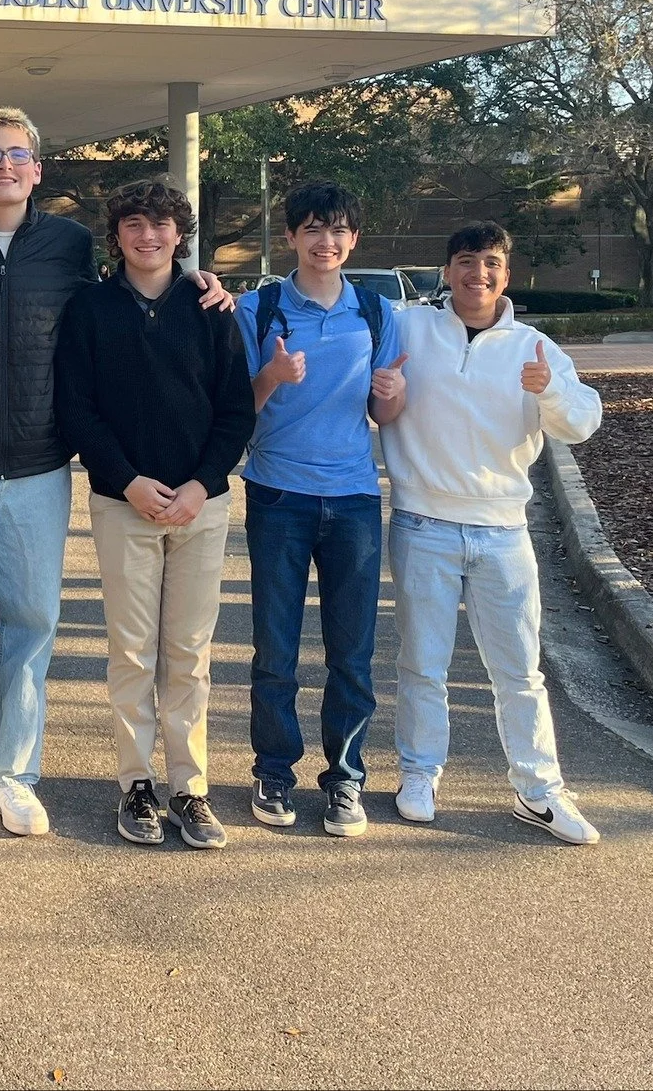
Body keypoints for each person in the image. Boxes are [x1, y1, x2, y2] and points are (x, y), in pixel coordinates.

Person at [0, 106, 231, 850]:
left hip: (39, 471)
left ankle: (13, 774)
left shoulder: (70, 245)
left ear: (37, 170)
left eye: (18, 154)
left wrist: (201, 281)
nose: (4, 166)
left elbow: (130, 298)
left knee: (29, 627)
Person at [379, 221, 605, 844]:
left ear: (507, 275)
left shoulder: (535, 347)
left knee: (519, 671)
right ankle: (419, 774)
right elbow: (337, 307)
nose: (477, 274)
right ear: (446, 271)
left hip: (504, 532)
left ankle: (539, 790)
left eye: (490, 264)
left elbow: (582, 423)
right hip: (423, 523)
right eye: (465, 261)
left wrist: (549, 391)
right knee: (422, 664)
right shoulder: (409, 327)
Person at [55, 180, 256, 849]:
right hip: (124, 504)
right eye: (135, 224)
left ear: (180, 233)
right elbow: (76, 407)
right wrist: (128, 480)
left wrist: (202, 483)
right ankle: (136, 783)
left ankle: (189, 787)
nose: (149, 235)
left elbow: (236, 410)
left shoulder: (210, 308)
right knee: (133, 653)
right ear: (117, 235)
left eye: (162, 223)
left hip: (202, 506)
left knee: (189, 654)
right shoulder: (89, 309)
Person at [234, 182, 406, 838]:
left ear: (353, 240)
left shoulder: (376, 312)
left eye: (336, 230)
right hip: (278, 494)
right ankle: (274, 770)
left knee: (352, 651)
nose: (324, 242)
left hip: (354, 497)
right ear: (291, 236)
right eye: (311, 228)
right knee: (275, 648)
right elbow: (236, 409)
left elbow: (384, 412)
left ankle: (345, 777)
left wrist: (392, 391)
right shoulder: (259, 308)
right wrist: (271, 377)